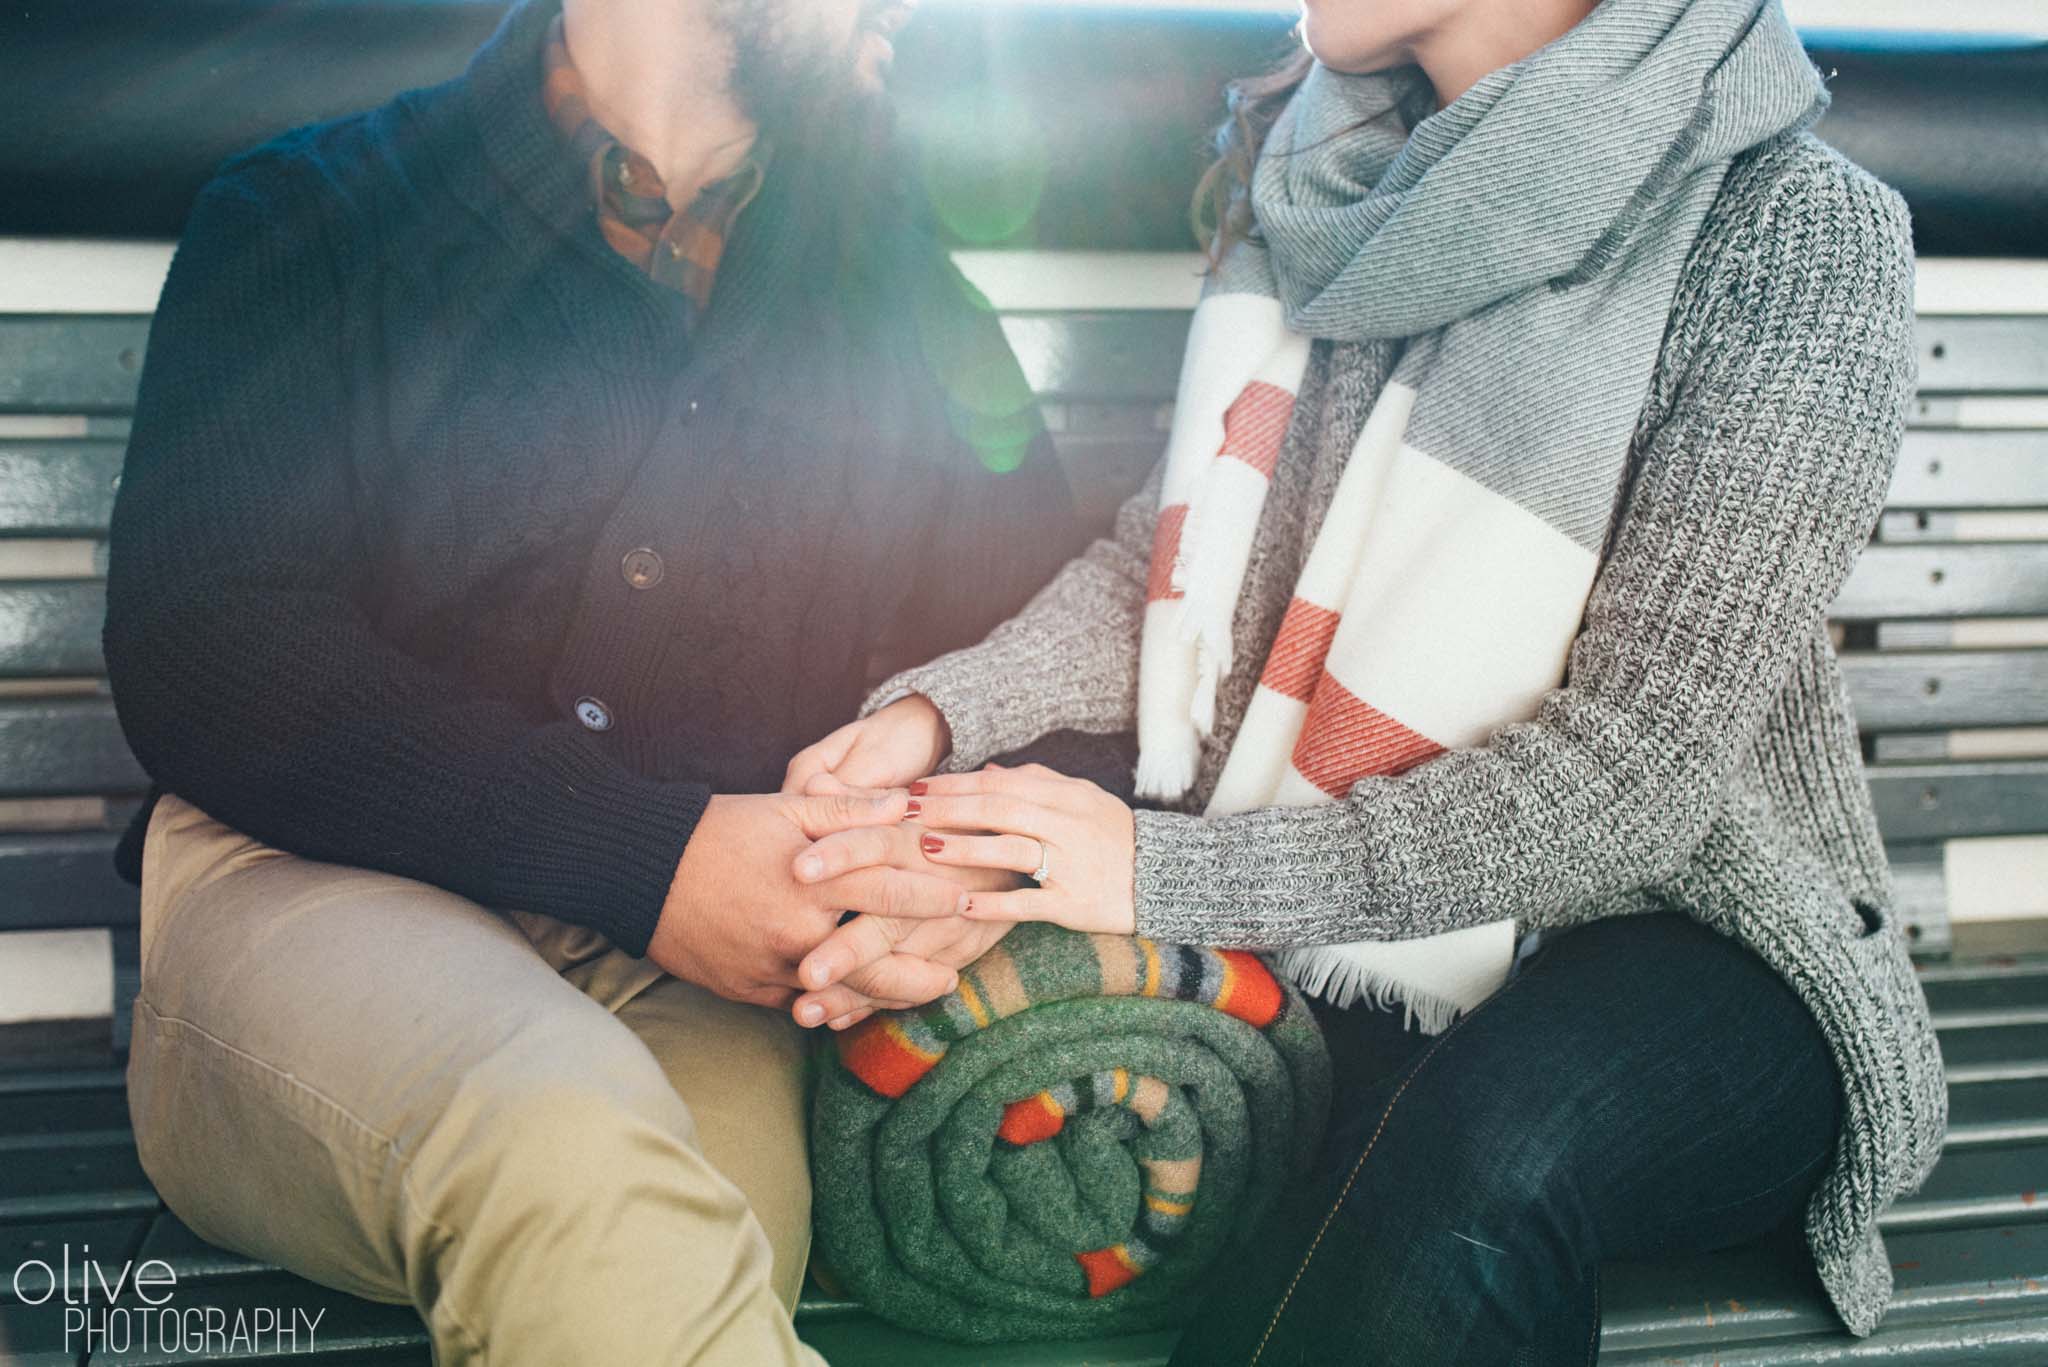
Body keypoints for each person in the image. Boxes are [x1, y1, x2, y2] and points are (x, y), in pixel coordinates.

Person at [780, 0, 1949, 1358]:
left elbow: (1640, 772)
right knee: (1322, 1169)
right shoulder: (1317, 183)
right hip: (1366, 927)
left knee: (1476, 1151)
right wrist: (938, 723)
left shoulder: (1792, 228)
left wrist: (1153, 873)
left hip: (1703, 940)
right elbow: (1169, 579)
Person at [101, 0, 1083, 1361]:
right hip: (298, 887)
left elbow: (1051, 665)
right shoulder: (308, 209)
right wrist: (647, 856)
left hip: (711, 962)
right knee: (572, 1159)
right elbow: (207, 645)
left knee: (701, 1241)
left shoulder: (901, 294)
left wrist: (942, 877)